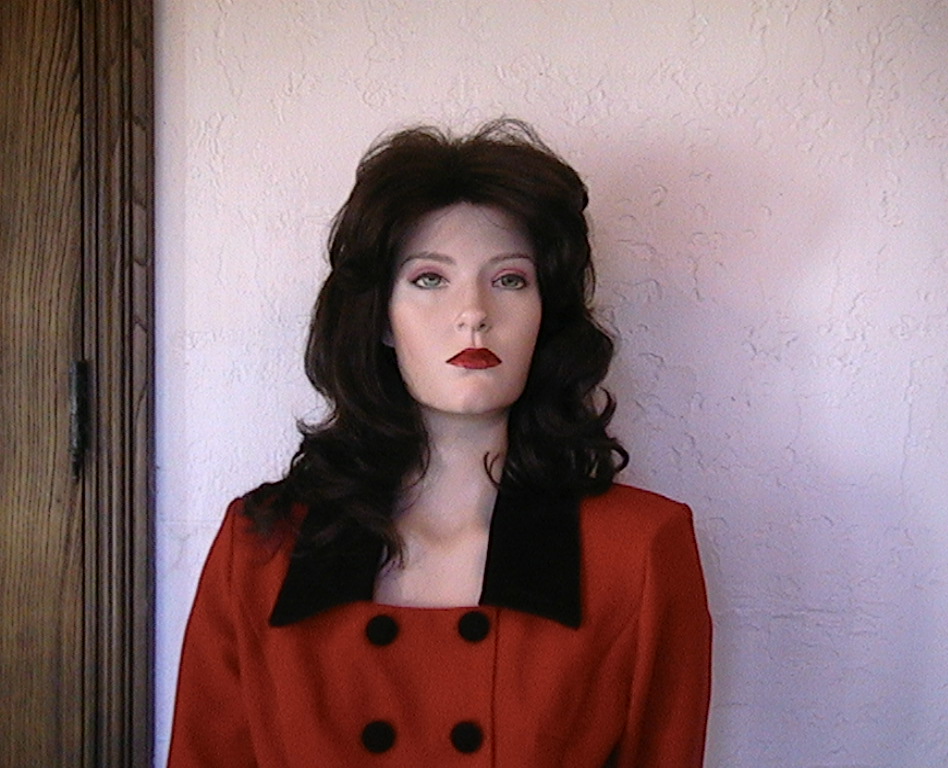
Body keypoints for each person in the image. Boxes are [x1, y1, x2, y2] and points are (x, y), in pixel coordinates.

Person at [168, 119, 712, 766]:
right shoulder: (264, 547)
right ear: (381, 318)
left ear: (546, 315)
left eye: (510, 279)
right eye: (430, 278)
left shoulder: (639, 551)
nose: (474, 312)